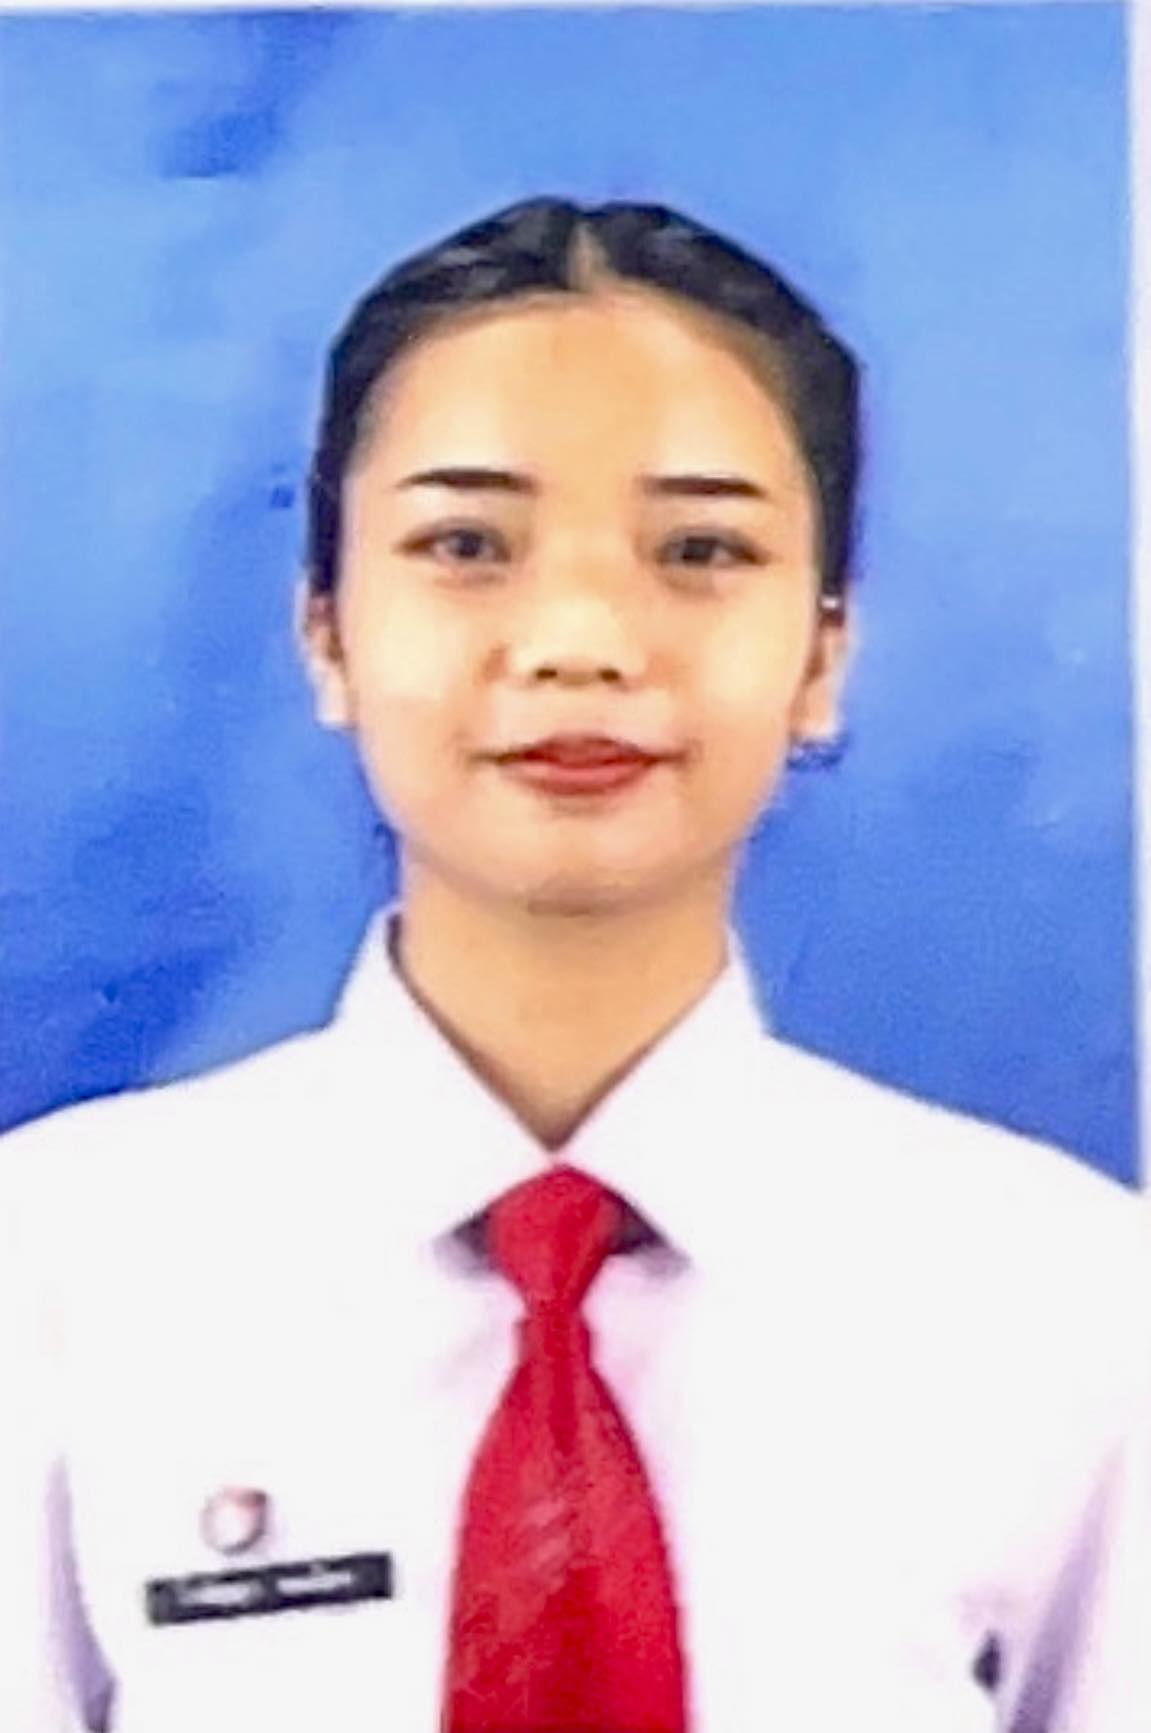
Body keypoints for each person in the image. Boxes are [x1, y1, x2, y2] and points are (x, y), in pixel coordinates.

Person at [0, 196, 1148, 1733]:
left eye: (701, 548)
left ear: (823, 653)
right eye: (467, 545)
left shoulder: (1069, 1306)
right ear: (326, 631)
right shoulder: (53, 1276)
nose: (582, 637)